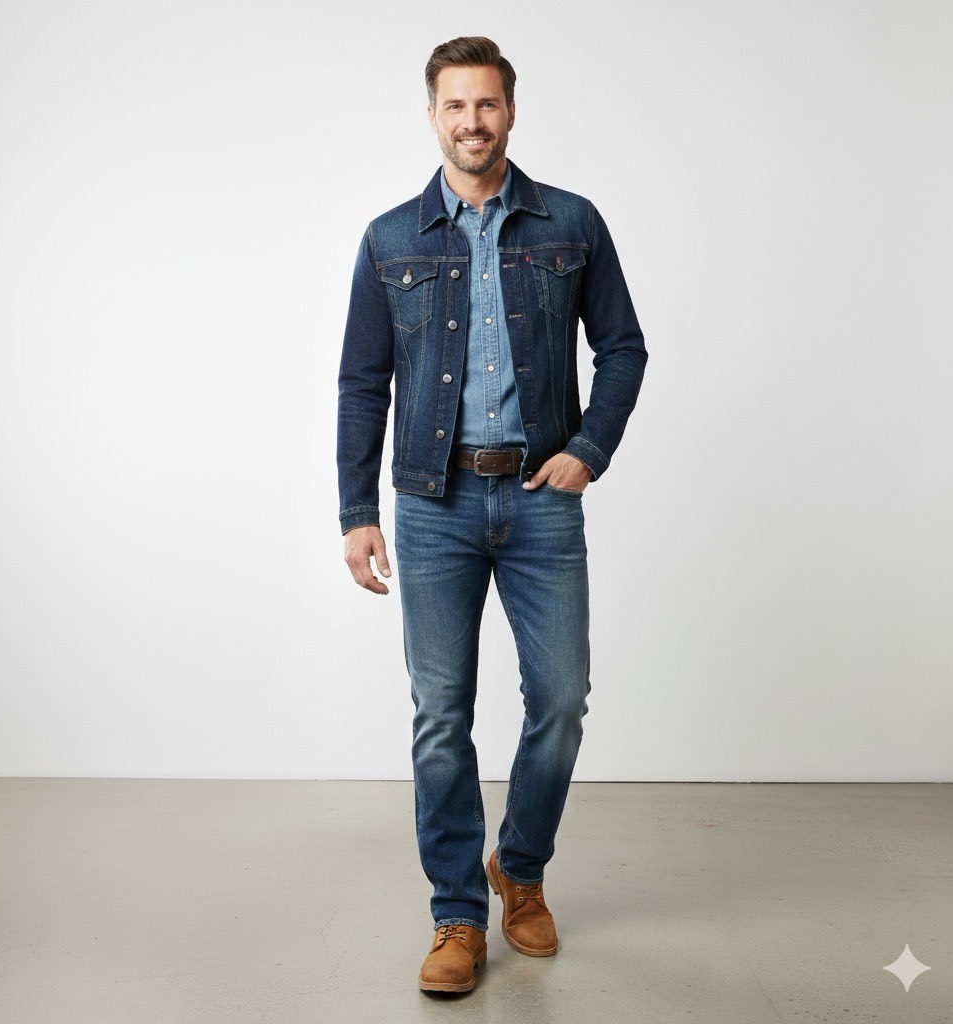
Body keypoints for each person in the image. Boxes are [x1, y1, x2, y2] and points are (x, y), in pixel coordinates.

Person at [336, 35, 647, 994]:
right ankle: (457, 917)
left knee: (560, 701)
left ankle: (520, 867)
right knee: (441, 715)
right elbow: (362, 382)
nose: (472, 122)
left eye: (487, 104)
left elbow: (624, 348)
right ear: (433, 115)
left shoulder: (572, 222)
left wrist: (589, 449)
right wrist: (355, 509)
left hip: (541, 500)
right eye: (455, 106)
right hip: (433, 506)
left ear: (510, 111)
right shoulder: (390, 238)